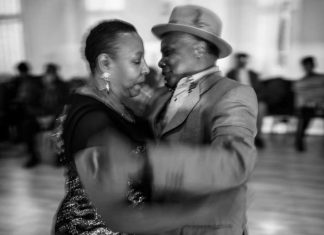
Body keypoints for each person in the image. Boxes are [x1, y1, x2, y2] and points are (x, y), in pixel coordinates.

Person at [53, 19, 199, 235]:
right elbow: (116, 215)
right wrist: (198, 213)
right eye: (136, 61)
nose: (146, 69)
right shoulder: (91, 121)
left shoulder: (118, 106)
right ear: (105, 64)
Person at [227, 52, 266, 148]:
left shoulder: (253, 74)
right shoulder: (230, 73)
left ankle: (258, 137)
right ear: (236, 61)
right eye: (240, 59)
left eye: (244, 59)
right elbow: (227, 88)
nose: (242, 62)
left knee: (261, 107)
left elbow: (260, 89)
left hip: (253, 98)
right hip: (238, 99)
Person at [294, 56, 324, 151]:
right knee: (304, 114)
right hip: (308, 107)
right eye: (306, 65)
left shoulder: (321, 78)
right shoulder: (300, 82)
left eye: (309, 65)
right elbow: (299, 97)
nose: (308, 67)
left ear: (313, 65)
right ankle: (300, 141)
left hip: (321, 104)